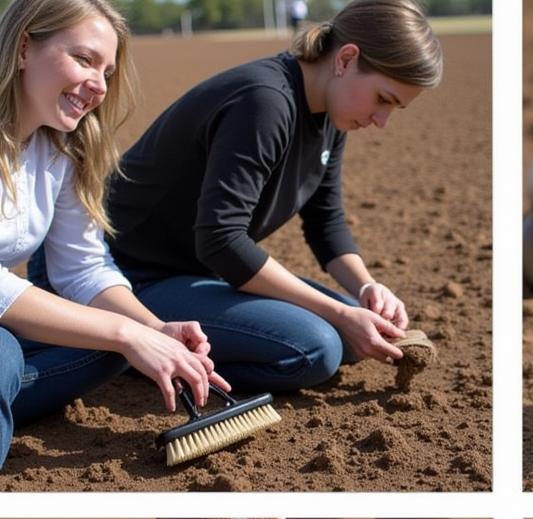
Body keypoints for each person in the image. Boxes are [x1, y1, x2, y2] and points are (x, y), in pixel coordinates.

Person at [97, 0, 442, 397]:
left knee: (356, 333)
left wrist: (365, 288)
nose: (381, 121)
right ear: (346, 59)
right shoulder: (265, 103)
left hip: (195, 274)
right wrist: (340, 312)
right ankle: (137, 355)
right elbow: (221, 240)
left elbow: (325, 221)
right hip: (125, 279)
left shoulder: (331, 116)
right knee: (318, 347)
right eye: (383, 99)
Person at [0, 0, 226, 468]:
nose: (99, 85)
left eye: (107, 70)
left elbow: (82, 267)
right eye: (84, 59)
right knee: (8, 354)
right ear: (24, 48)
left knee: (109, 351)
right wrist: (124, 332)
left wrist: (153, 329)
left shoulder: (59, 150)